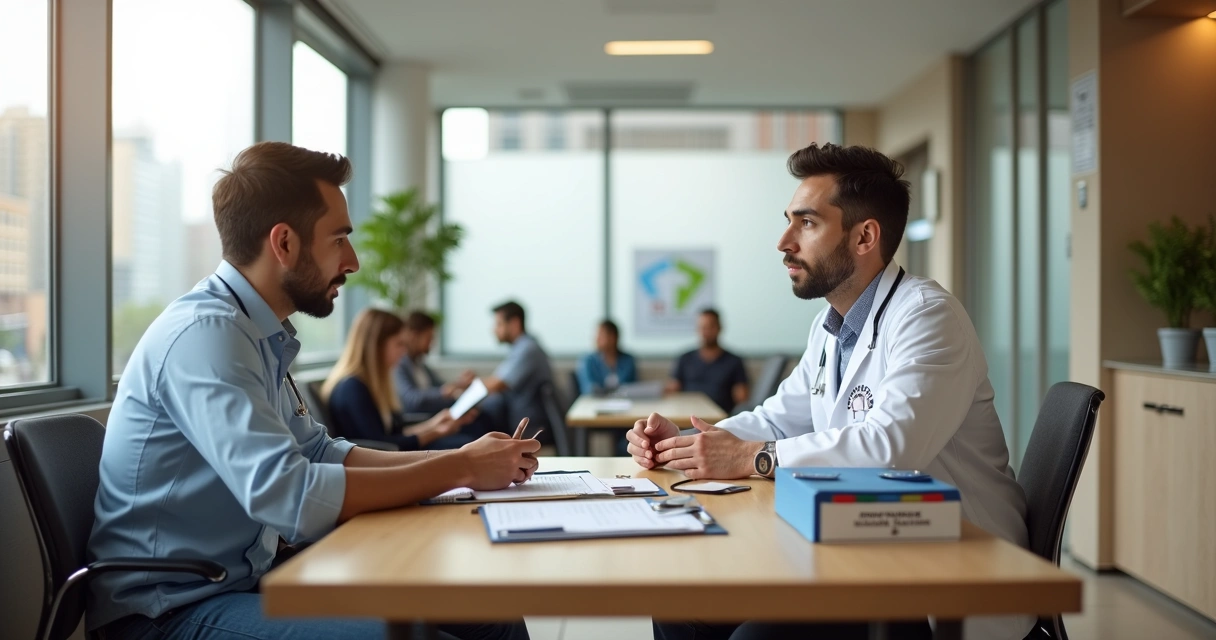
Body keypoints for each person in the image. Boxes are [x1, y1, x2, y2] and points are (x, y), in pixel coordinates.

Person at [88, 141, 537, 640]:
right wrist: (460, 467)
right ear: (284, 244)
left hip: (246, 581)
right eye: (339, 238)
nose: (353, 261)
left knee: (490, 612)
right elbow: (289, 494)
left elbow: (320, 452)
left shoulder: (254, 333)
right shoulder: (207, 335)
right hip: (167, 612)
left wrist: (465, 463)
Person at [627, 143, 1031, 640]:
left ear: (864, 237)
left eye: (807, 223)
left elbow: (891, 448)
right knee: (680, 601)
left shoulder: (928, 316)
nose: (783, 241)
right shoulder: (831, 324)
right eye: (788, 221)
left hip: (941, 574)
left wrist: (752, 458)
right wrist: (685, 445)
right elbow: (779, 418)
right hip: (857, 546)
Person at [323, 308, 474, 450]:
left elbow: (395, 432)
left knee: (466, 443)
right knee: (465, 446)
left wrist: (435, 423)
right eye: (399, 344)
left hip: (392, 459)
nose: (404, 352)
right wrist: (436, 432)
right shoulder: (352, 388)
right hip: (385, 465)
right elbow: (382, 447)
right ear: (376, 346)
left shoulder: (367, 384)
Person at [481, 301, 554, 436]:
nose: (494, 330)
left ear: (514, 323)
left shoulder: (527, 349)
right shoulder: (520, 347)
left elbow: (498, 383)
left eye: (499, 324)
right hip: (519, 418)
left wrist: (467, 388)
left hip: (527, 424)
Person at [393, 310, 477, 416]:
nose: (432, 343)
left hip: (436, 415)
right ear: (413, 336)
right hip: (422, 420)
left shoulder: (420, 364)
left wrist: (459, 385)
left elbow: (440, 386)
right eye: (429, 338)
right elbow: (411, 399)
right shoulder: (399, 365)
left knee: (477, 415)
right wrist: (445, 392)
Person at [666, 309, 749, 413]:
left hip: (720, 418)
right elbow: (672, 390)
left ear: (719, 328)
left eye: (711, 327)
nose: (706, 331)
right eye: (702, 327)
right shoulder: (685, 358)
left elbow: (742, 398)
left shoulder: (734, 361)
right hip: (688, 415)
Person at [575, 319, 637, 394]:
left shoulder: (628, 360)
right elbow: (589, 388)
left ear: (613, 337)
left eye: (601, 335)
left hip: (623, 402)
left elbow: (632, 387)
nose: (597, 339)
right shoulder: (588, 361)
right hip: (594, 402)